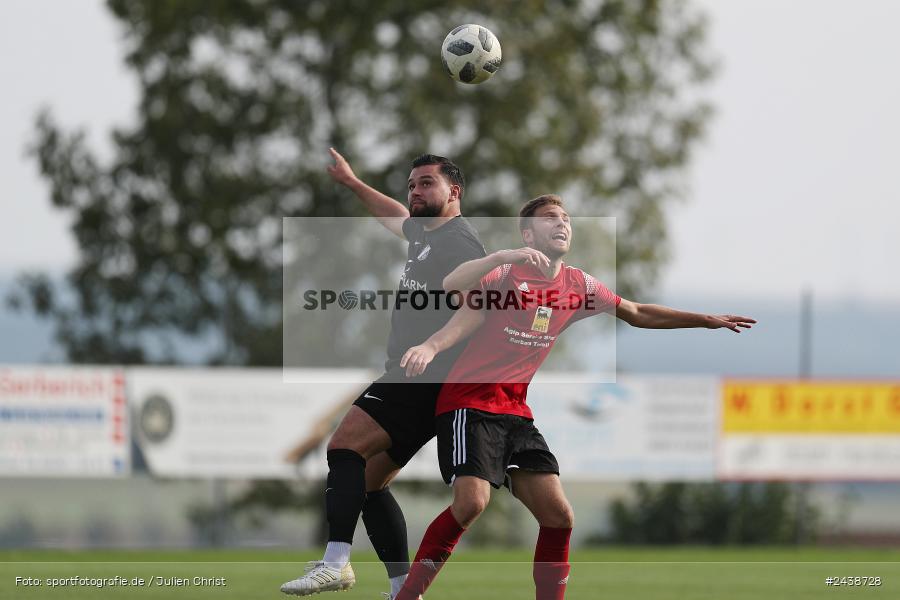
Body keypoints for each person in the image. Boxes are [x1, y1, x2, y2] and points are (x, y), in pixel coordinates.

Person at [393, 194, 756, 600]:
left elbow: (636, 312)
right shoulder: (507, 275)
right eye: (551, 218)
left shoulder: (579, 285)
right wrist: (497, 261)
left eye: (566, 218)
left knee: (560, 516)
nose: (562, 223)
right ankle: (405, 596)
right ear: (528, 233)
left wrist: (704, 320)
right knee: (471, 505)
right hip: (469, 405)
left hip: (515, 412)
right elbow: (452, 284)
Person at [280, 149, 485, 598]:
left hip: (422, 375)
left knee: (343, 446)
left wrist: (432, 348)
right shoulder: (427, 233)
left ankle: (336, 562)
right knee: (370, 484)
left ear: (455, 191)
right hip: (426, 380)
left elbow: (477, 310)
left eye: (426, 183)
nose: (415, 191)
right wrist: (353, 183)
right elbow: (395, 217)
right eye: (411, 184)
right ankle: (401, 589)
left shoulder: (458, 242)